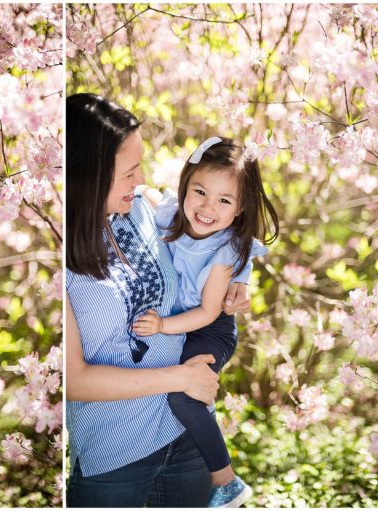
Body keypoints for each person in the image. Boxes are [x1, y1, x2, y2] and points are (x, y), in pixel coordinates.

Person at [65, 93, 252, 507]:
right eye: (129, 171)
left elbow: (208, 247)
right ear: (89, 175)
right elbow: (72, 379)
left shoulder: (141, 210)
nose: (140, 178)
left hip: (185, 435)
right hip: (116, 458)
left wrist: (238, 281)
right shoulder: (60, 255)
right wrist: (180, 380)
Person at [131, 137, 279, 507]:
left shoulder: (224, 249)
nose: (207, 207)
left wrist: (163, 326)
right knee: (184, 393)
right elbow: (144, 192)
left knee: (182, 394)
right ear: (185, 185)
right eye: (199, 191)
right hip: (185, 321)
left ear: (240, 209)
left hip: (210, 329)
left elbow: (210, 312)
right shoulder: (170, 214)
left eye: (224, 200)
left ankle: (225, 480)